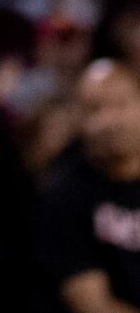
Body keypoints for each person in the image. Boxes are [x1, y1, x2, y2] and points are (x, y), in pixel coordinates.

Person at [40, 61, 140, 311]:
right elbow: (91, 304)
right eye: (95, 109)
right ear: (78, 119)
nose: (109, 121)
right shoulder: (62, 192)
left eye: (120, 105)